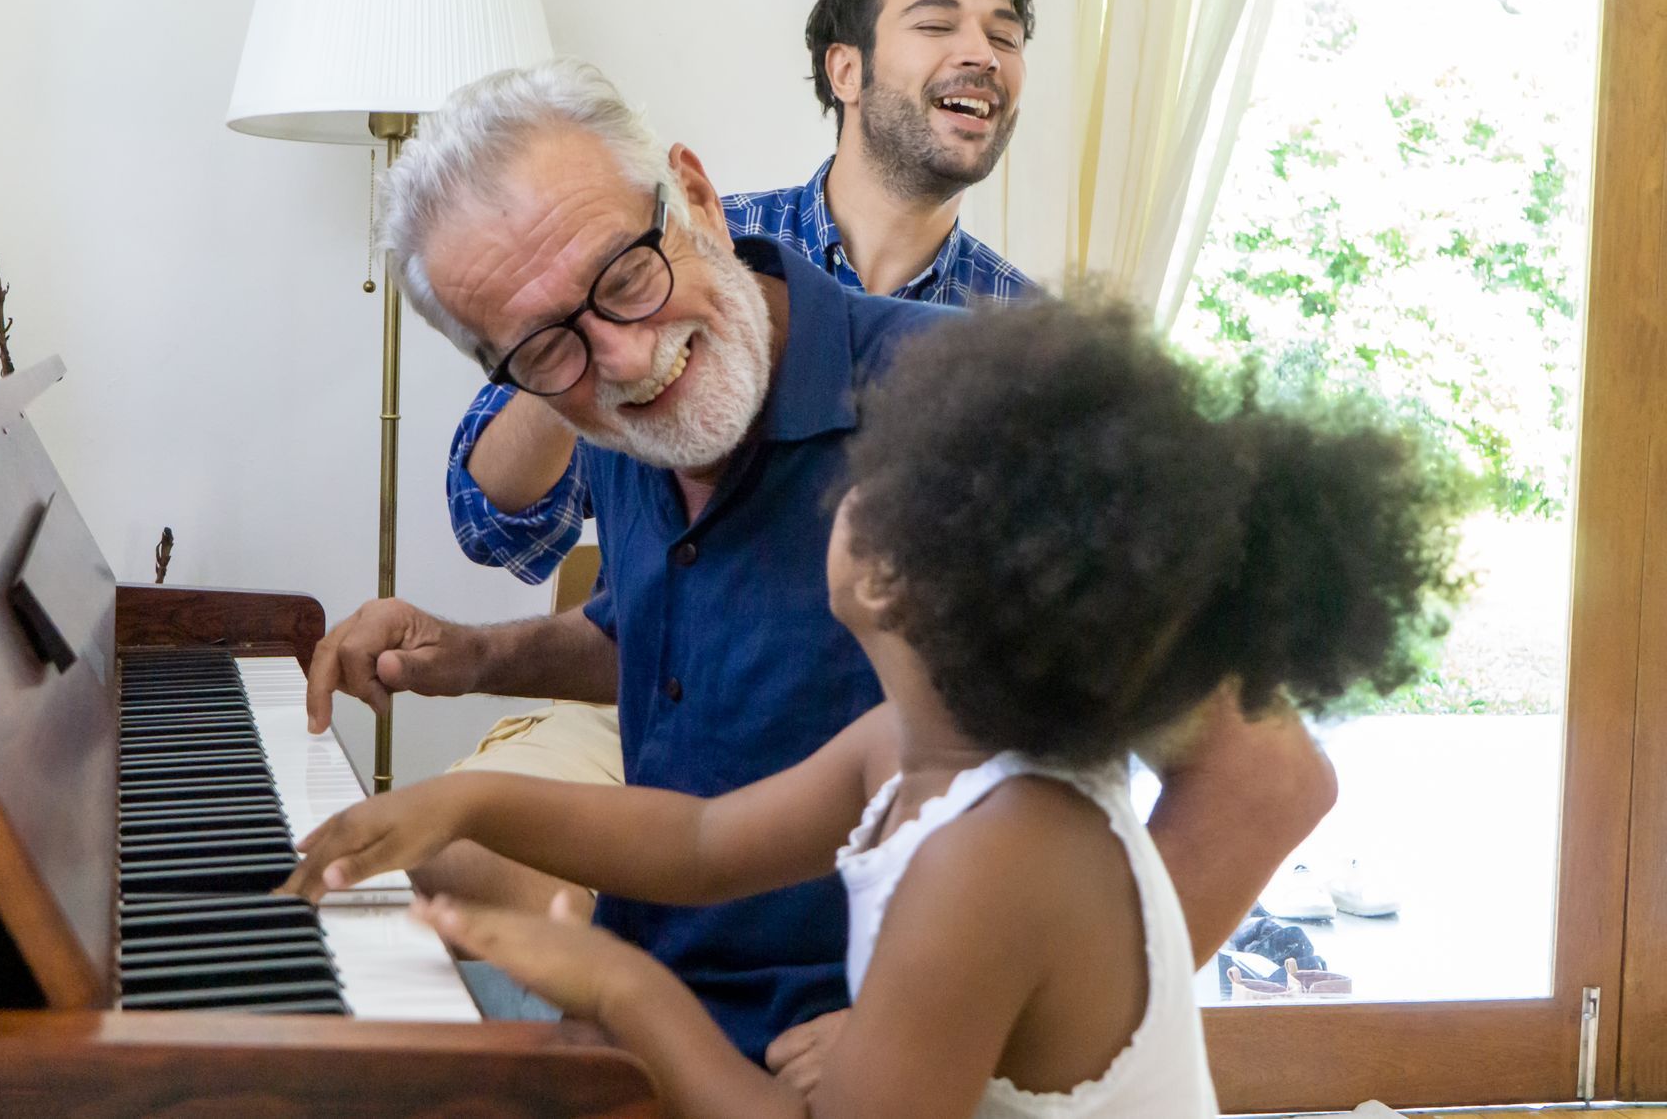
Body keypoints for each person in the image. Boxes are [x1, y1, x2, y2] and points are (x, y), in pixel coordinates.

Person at [307, 56, 1342, 1070]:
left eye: (624, 275)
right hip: (655, 1023)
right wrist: (476, 655)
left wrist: (970, 1026)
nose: (622, 358)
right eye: (544, 349)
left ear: (698, 196)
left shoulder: (971, 418)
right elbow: (674, 658)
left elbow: (1265, 779)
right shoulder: (617, 423)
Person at [288, 302, 1462, 1118]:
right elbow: (700, 844)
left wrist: (614, 985)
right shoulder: (913, 741)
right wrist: (462, 802)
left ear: (898, 579)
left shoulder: (998, 859)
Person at [419, 0, 1041, 918]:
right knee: (452, 847)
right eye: (939, 24)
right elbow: (494, 519)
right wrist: (585, 348)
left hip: (875, 784)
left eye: (1005, 35)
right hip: (641, 728)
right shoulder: (694, 248)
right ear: (846, 69)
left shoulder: (1012, 348)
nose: (982, 53)